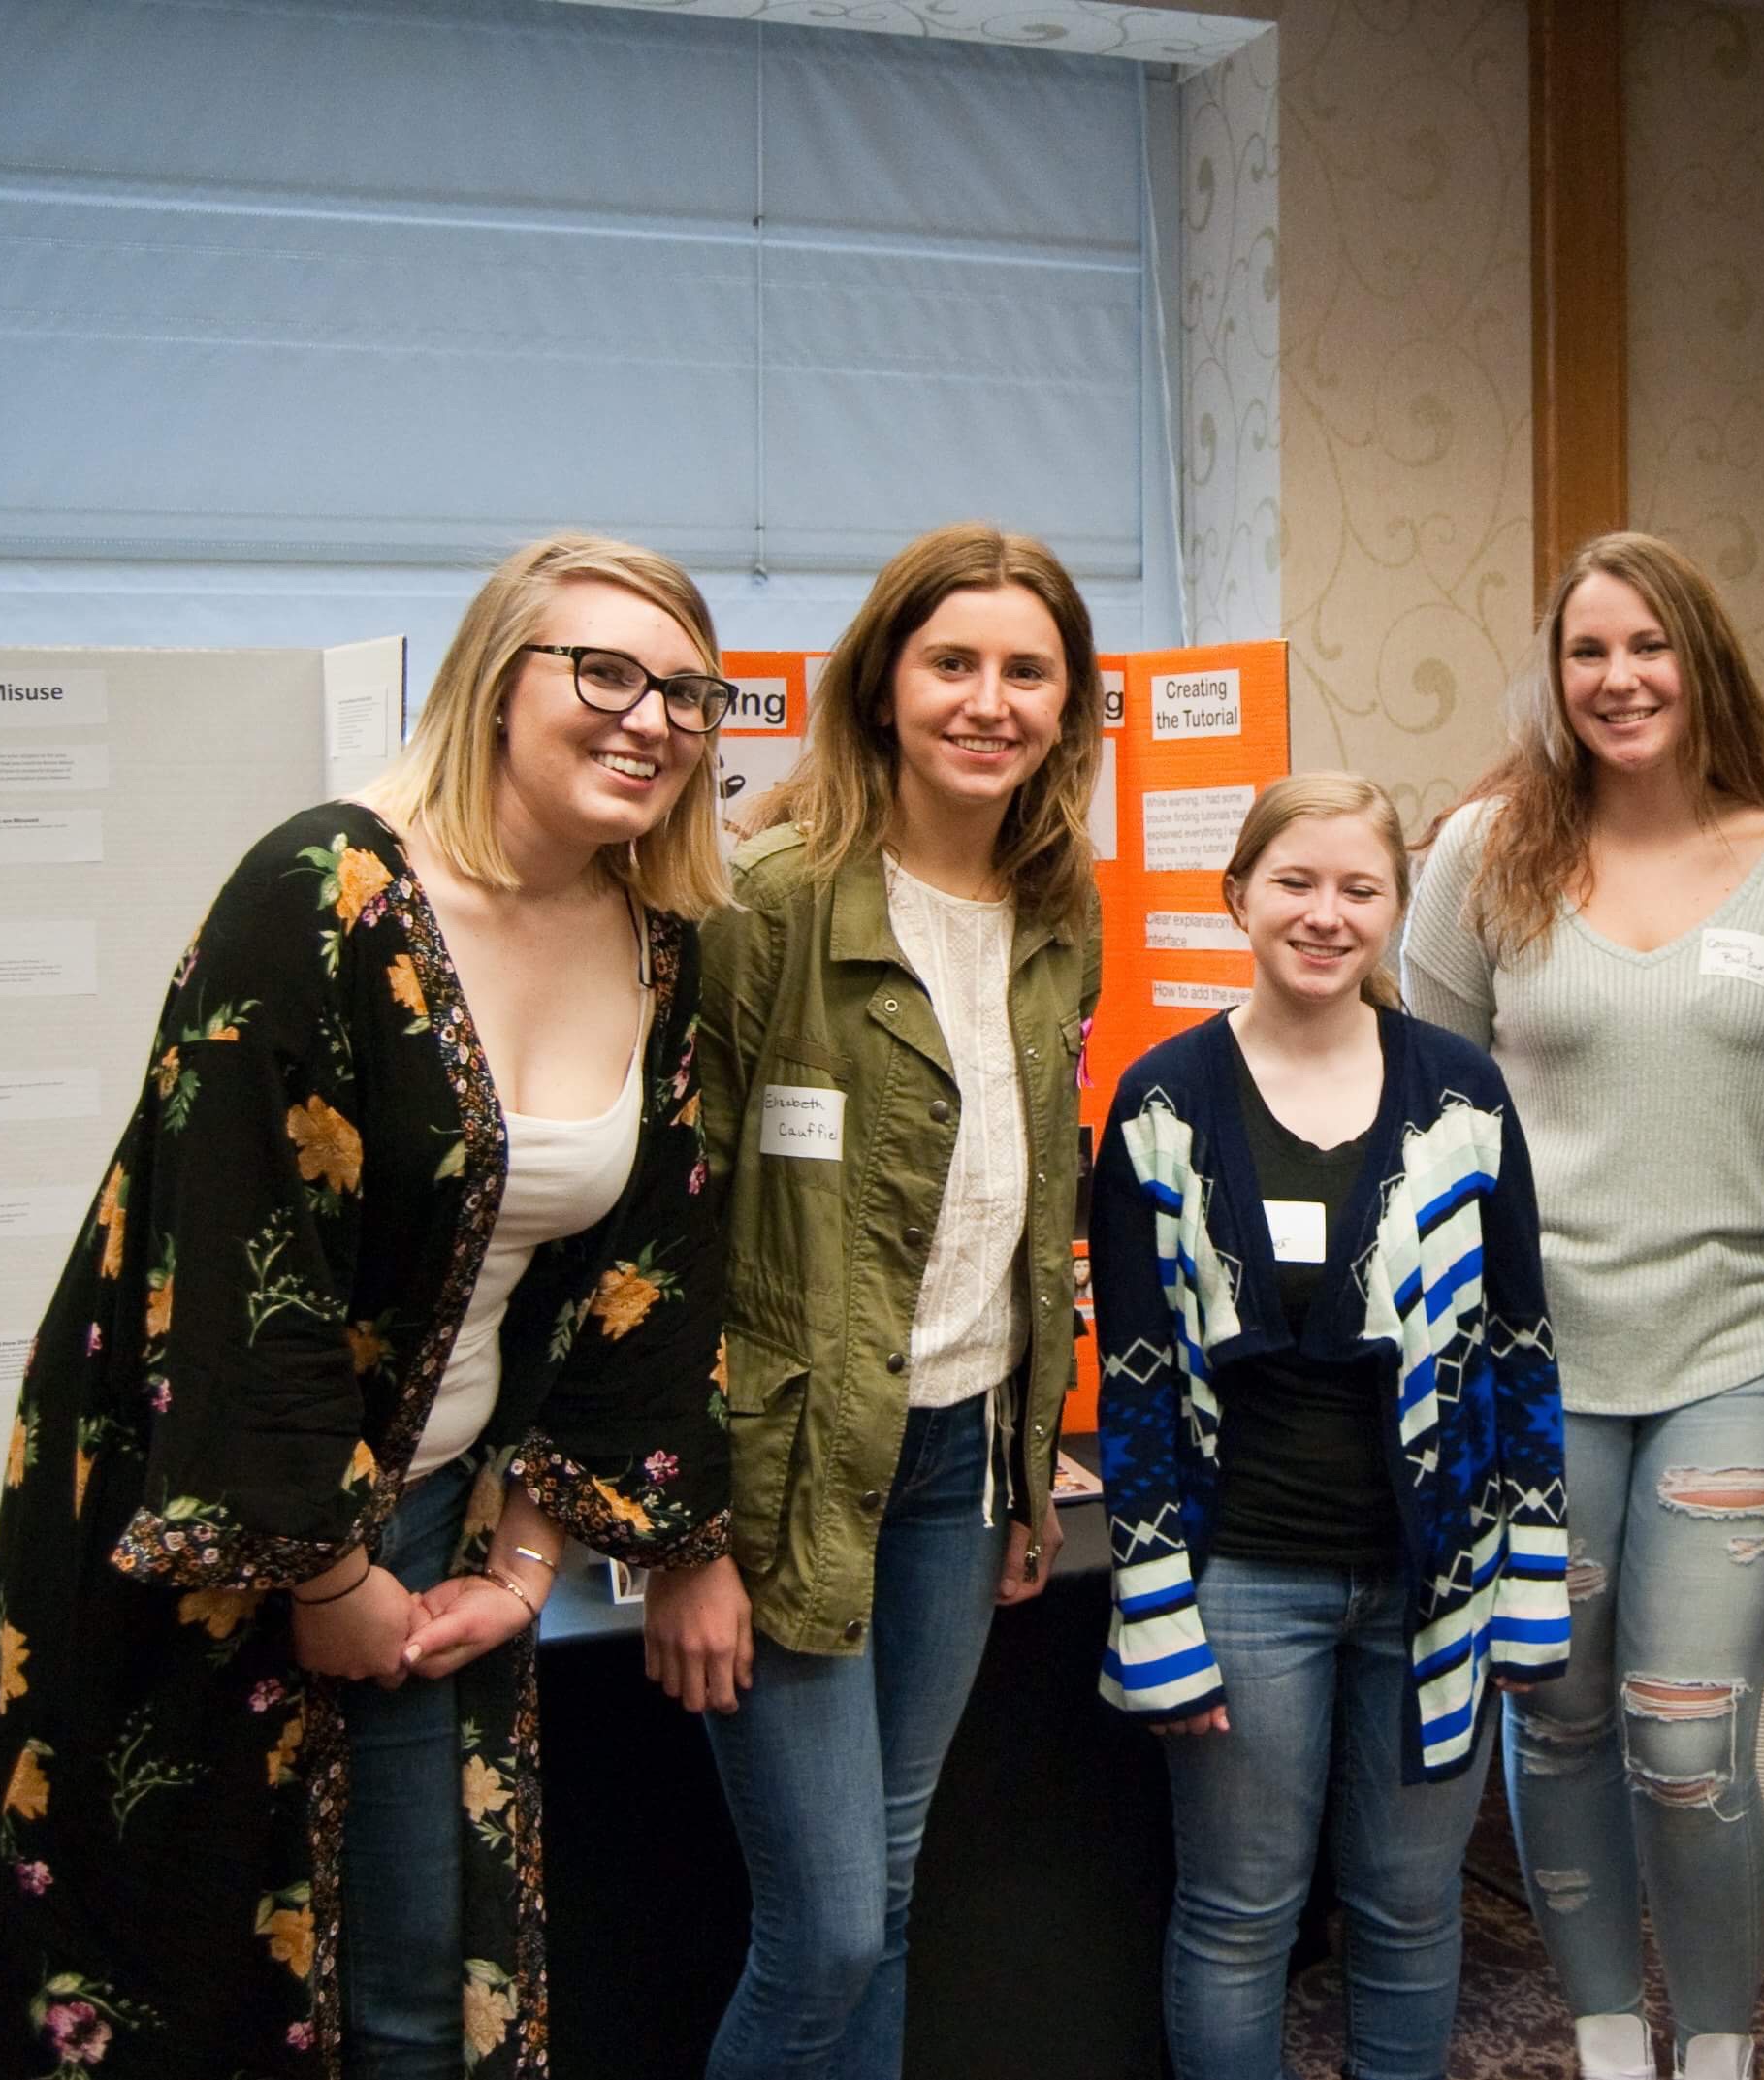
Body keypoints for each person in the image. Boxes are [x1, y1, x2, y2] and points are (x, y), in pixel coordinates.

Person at [0, 534, 739, 2078]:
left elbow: (646, 1276)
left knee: (420, 1987)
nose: (649, 717)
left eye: (686, 692)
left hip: (440, 1531)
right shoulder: (324, 890)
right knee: (189, 1981)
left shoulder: (661, 950)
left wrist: (527, 1561)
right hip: (196, 1524)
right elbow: (241, 1263)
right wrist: (327, 1582)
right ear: (492, 687)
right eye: (603, 672)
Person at [1404, 530, 1764, 2080]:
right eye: (1587, 651)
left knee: (1685, 1738)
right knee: (1554, 1715)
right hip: (1535, 1367)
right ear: (1556, 678)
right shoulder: (1485, 852)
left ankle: (1722, 2047)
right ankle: (1609, 2036)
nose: (1618, 678)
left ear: (1704, 662)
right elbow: (1430, 1115)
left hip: (1743, 1355)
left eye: (1648, 645)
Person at [670, 521, 1101, 2080]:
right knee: (832, 1925)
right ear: (883, 683)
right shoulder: (765, 903)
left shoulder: (1062, 907)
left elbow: (1027, 1194)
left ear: (1069, 704)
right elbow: (669, 1230)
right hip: (787, 1469)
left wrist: (1021, 1476)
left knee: (894, 1888)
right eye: (954, 662)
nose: (989, 700)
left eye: (1026, 670)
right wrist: (685, 1532)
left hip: (962, 1461)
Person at [1092, 774, 1571, 2080]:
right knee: (1241, 1915)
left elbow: (1521, 1349)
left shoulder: (1463, 1092)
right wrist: (1156, 1613)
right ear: (1234, 893)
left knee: (1413, 1911)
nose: (1324, 912)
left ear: (1398, 910)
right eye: (1294, 881)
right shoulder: (1161, 1103)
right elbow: (1134, 1380)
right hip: (1242, 1574)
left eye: (1360, 887)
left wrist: (1532, 1582)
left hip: (1438, 1586)